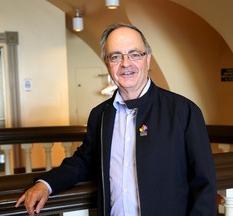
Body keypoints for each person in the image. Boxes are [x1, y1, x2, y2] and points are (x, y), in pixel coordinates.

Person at [15, 23, 217, 216]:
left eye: (134, 54)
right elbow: (84, 161)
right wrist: (46, 184)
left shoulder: (183, 111)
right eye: (116, 56)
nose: (126, 64)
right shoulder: (100, 115)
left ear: (148, 59)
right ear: (107, 63)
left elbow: (204, 185)